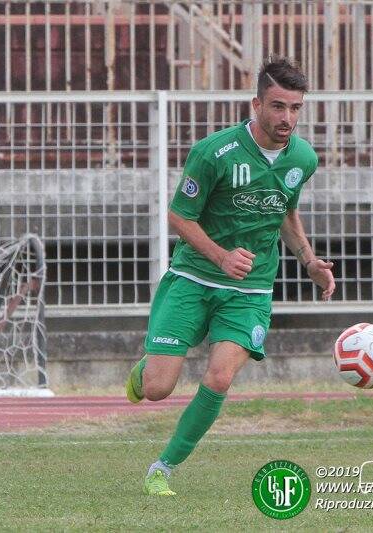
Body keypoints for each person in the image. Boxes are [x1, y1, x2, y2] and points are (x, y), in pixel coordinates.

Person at [125, 55, 334, 496]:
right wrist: (221, 256)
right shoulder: (213, 152)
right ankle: (148, 368)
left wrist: (309, 260)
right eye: (278, 106)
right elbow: (180, 217)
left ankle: (163, 467)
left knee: (220, 377)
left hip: (250, 289)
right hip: (195, 277)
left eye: (296, 108)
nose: (287, 118)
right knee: (158, 388)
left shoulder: (303, 158)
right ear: (255, 103)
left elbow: (285, 211)